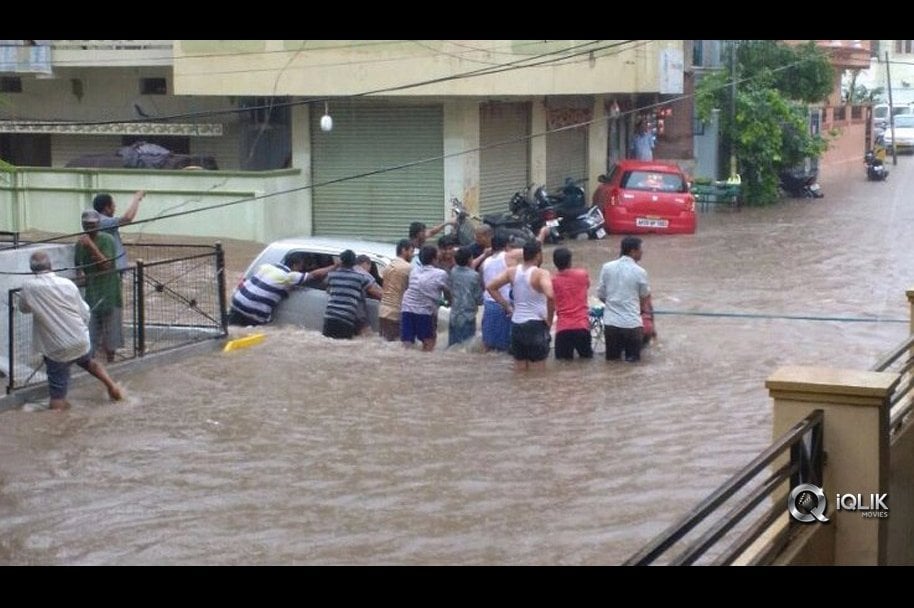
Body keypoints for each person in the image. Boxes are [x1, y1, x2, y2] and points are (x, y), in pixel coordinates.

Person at [18, 250, 123, 411]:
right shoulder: (67, 283)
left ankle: (58, 426)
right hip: (79, 339)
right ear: (51, 266)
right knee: (89, 362)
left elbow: (23, 308)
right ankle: (112, 386)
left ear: (32, 270)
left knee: (57, 398)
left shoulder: (29, 287)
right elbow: (84, 312)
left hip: (56, 349)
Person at [486, 240, 554, 372]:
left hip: (516, 325)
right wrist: (550, 320)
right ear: (538, 255)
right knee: (538, 373)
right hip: (536, 325)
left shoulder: (512, 272)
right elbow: (550, 296)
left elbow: (491, 287)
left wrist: (508, 307)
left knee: (520, 371)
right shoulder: (541, 273)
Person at [229, 251, 335, 326]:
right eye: (300, 266)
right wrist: (335, 266)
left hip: (237, 302)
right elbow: (314, 275)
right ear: (295, 265)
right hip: (253, 313)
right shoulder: (288, 277)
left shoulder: (266, 267)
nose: (301, 269)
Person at [74, 209, 122, 363]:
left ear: (99, 225)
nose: (89, 228)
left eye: (93, 225)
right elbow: (79, 271)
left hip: (110, 294)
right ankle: (92, 364)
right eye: (86, 225)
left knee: (111, 337)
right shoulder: (79, 245)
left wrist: (91, 247)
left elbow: (107, 265)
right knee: (90, 336)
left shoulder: (107, 239)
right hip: (91, 296)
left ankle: (111, 363)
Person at [597, 236, 651, 362]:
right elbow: (644, 297)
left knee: (612, 364)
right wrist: (640, 309)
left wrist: (612, 304)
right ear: (632, 251)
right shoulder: (640, 272)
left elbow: (601, 294)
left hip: (611, 324)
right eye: (640, 249)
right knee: (633, 368)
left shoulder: (607, 267)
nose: (642, 252)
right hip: (632, 324)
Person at [322, 249, 383, 340]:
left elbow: (324, 284)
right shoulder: (360, 278)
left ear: (341, 261)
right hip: (346, 320)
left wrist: (335, 267)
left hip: (329, 319)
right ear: (354, 263)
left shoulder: (332, 275)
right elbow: (377, 293)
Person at [400, 245, 450, 352]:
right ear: (434, 259)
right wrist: (450, 302)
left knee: (407, 343)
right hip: (425, 311)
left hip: (407, 308)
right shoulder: (441, 274)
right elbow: (447, 293)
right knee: (429, 342)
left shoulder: (414, 271)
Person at [551, 246, 593, 360]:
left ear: (555, 263)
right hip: (582, 327)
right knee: (587, 361)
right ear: (570, 261)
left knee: (562, 365)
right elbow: (587, 286)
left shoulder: (552, 281)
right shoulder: (582, 275)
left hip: (563, 329)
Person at [92, 190, 145, 272]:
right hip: (112, 269)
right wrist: (136, 199)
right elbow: (127, 218)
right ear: (107, 208)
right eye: (113, 205)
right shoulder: (102, 221)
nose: (115, 208)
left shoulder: (99, 220)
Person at [378, 239, 414, 342]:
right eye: (411, 251)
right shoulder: (408, 268)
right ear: (404, 250)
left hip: (383, 311)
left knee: (384, 344)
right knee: (395, 345)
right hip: (395, 313)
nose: (412, 255)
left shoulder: (388, 267)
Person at [448, 246, 483, 347]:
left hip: (454, 315)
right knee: (466, 347)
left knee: (453, 347)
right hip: (467, 316)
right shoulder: (474, 276)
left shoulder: (453, 271)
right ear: (469, 260)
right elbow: (479, 299)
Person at [353, 254, 380, 336]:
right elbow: (379, 293)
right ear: (366, 263)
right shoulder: (364, 274)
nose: (370, 269)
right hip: (358, 312)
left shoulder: (347, 270)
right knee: (368, 336)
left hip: (344, 312)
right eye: (370, 266)